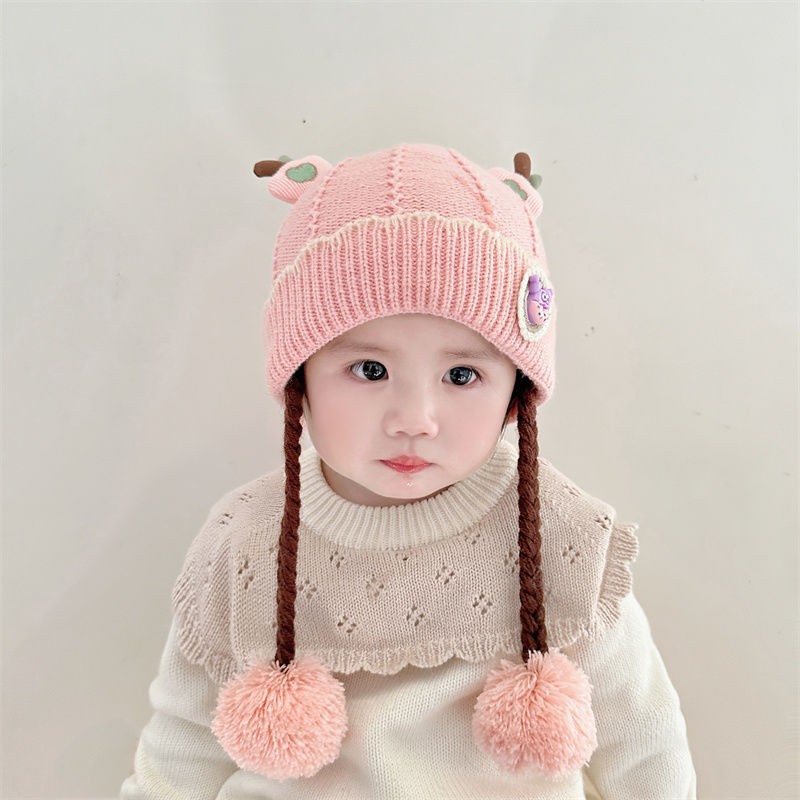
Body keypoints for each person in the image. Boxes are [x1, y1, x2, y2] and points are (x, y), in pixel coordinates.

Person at [120, 143, 697, 799]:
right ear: (300, 376)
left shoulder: (559, 541)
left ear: (516, 392)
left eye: (462, 375)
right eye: (370, 370)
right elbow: (180, 751)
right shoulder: (246, 541)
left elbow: (644, 748)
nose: (414, 419)